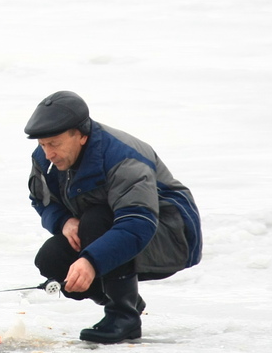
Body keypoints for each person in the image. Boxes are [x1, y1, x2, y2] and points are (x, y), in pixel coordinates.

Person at [25, 91, 202, 344]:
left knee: (97, 219)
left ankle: (124, 316)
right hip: (112, 229)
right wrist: (64, 221)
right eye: (43, 144)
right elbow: (40, 199)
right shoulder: (47, 157)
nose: (48, 153)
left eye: (54, 143)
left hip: (170, 234)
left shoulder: (123, 157)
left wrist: (91, 261)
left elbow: (136, 223)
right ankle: (123, 299)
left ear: (82, 135)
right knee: (52, 259)